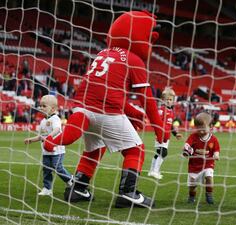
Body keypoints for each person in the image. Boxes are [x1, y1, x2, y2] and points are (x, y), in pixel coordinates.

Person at [43, 11, 166, 208]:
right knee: (136, 150)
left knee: (94, 149)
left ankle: (78, 188)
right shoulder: (134, 59)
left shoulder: (102, 53)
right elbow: (147, 99)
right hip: (105, 111)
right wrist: (160, 130)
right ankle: (128, 193)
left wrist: (133, 112)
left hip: (82, 108)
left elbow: (106, 90)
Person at [24, 95, 73, 196]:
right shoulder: (42, 121)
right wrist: (31, 140)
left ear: (53, 108)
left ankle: (70, 180)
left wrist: (49, 138)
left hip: (57, 150)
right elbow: (41, 136)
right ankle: (47, 188)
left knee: (57, 168)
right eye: (40, 105)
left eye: (44, 106)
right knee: (46, 170)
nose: (41, 108)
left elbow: (57, 130)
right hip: (46, 151)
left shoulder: (55, 119)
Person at [182, 112, 220, 204]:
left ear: (211, 127)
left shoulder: (213, 139)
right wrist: (185, 151)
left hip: (208, 164)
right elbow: (187, 145)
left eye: (203, 128)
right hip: (194, 165)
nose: (201, 131)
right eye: (198, 128)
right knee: (192, 186)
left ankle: (209, 195)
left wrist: (216, 155)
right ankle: (192, 196)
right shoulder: (193, 137)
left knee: (209, 177)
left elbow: (216, 149)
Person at [148, 87, 182, 179]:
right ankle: (155, 171)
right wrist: (158, 133)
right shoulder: (162, 110)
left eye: (170, 99)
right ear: (162, 100)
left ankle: (151, 171)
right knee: (163, 153)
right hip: (161, 135)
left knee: (159, 152)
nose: (168, 101)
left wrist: (176, 134)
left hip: (167, 135)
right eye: (166, 99)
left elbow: (170, 125)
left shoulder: (171, 111)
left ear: (173, 101)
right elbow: (157, 122)